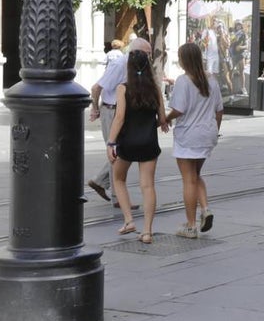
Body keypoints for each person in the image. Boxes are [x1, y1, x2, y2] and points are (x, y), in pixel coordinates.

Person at [107, 47, 169, 244]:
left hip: (128, 142)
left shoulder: (123, 89)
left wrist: (111, 142)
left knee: (118, 179)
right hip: (149, 143)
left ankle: (129, 220)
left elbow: (119, 118)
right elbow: (162, 118)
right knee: (147, 185)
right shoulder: (155, 89)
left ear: (129, 68)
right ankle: (148, 232)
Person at [164, 42, 223, 238]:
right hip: (207, 134)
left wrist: (164, 119)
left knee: (188, 179)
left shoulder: (183, 81)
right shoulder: (211, 80)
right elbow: (219, 110)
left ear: (184, 60)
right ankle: (205, 209)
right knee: (196, 175)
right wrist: (215, 130)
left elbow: (179, 109)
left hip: (188, 135)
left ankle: (190, 225)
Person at [88, 37, 152, 207]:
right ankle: (118, 198)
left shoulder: (134, 66)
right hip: (112, 111)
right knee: (116, 151)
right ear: (135, 52)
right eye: (147, 53)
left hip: (121, 111)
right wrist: (95, 109)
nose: (149, 58)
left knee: (121, 150)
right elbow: (96, 88)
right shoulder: (119, 65)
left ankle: (100, 181)